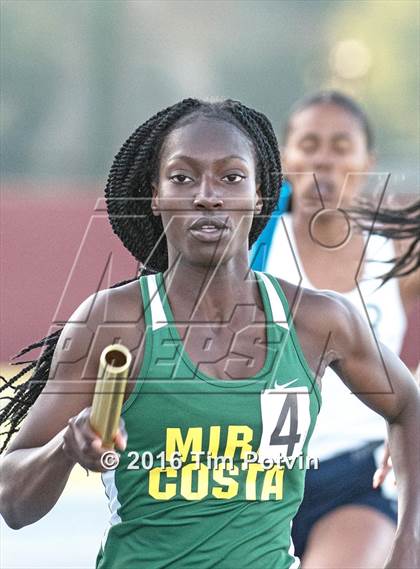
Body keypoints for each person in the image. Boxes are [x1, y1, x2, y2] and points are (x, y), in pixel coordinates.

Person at [0, 98, 418, 569]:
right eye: (182, 177)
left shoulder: (317, 320)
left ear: (261, 193)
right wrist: (65, 448)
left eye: (231, 176)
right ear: (154, 195)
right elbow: (13, 503)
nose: (207, 194)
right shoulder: (113, 321)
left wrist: (409, 544)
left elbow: (407, 404)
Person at [251, 91, 419, 568]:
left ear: (369, 161)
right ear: (284, 158)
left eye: (341, 145)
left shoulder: (397, 254)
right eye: (309, 143)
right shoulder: (248, 250)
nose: (323, 158)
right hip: (249, 479)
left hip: (353, 481)